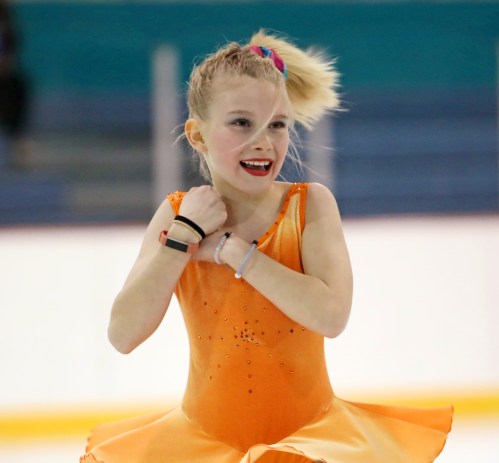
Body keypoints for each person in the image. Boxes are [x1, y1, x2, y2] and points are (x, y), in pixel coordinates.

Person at [81, 30, 453, 463]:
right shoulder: (177, 215)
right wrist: (180, 239)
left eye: (277, 125)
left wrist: (232, 251)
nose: (263, 141)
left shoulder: (309, 205)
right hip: (203, 442)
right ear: (197, 135)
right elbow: (123, 334)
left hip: (311, 440)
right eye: (241, 122)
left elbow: (331, 316)